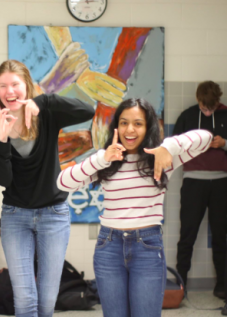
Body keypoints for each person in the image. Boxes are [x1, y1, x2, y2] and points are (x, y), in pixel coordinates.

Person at [57, 98, 212, 317]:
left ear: (148, 126)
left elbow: (205, 138)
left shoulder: (161, 158)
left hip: (147, 248)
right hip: (108, 247)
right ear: (116, 127)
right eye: (124, 122)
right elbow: (62, 182)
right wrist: (102, 158)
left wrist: (168, 146)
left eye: (138, 123)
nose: (130, 129)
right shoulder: (106, 161)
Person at [0, 59, 95, 317]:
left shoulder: (45, 114)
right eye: (3, 86)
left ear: (27, 86)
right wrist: (1, 140)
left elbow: (87, 110)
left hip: (53, 215)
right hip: (15, 216)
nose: (9, 91)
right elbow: (3, 179)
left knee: (46, 301)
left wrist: (42, 101)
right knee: (24, 298)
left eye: (15, 84)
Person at [172, 81, 227, 298]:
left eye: (211, 108)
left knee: (221, 236)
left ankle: (222, 285)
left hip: (222, 182)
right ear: (198, 99)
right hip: (193, 181)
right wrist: (191, 145)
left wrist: (224, 143)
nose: (207, 111)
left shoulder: (225, 114)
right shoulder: (187, 116)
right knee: (187, 234)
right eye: (204, 107)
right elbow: (172, 146)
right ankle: (180, 285)